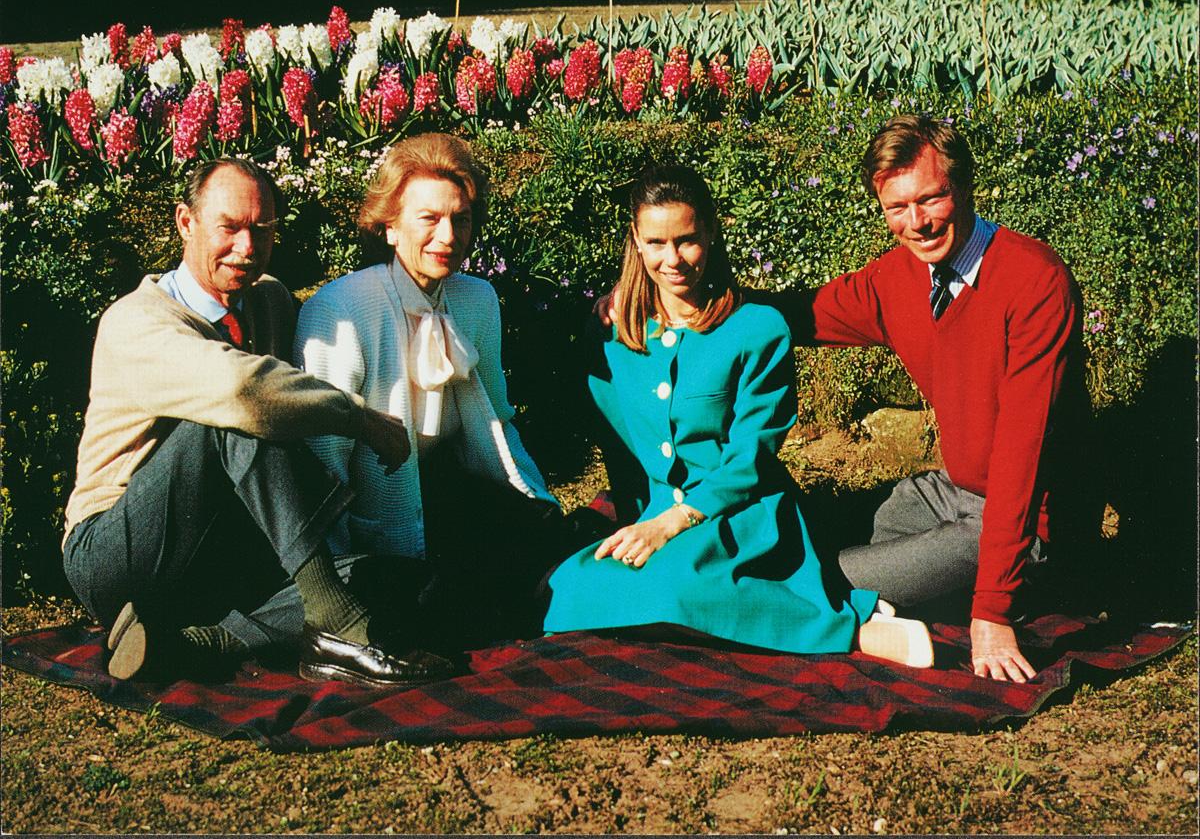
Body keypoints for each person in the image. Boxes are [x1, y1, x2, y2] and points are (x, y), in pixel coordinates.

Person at [62, 157, 455, 688]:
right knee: (236, 418)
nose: (247, 248)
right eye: (229, 228)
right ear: (186, 222)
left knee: (406, 579)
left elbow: (320, 352)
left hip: (224, 554)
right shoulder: (136, 321)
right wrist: (360, 418)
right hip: (118, 554)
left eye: (262, 230)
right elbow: (243, 392)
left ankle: (196, 643)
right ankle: (336, 628)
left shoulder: (267, 300)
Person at [545, 164, 934, 666]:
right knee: (565, 593)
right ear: (636, 243)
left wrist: (672, 524)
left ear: (711, 231)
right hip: (655, 513)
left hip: (739, 512)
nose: (672, 260)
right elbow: (619, 444)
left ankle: (848, 627)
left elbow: (751, 457)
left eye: (687, 240)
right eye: (656, 243)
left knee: (672, 590)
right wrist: (642, 519)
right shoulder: (613, 334)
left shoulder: (757, 328)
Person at [775, 115, 1093, 682]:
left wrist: (992, 611)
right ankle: (893, 604)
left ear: (964, 187)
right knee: (803, 535)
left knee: (822, 578)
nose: (916, 223)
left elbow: (1022, 455)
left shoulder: (1033, 281)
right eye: (897, 208)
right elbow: (795, 314)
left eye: (931, 199)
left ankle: (877, 614)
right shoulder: (899, 277)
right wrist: (673, 295)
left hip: (1025, 521)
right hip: (948, 492)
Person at [294, 133, 564, 651]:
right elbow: (321, 465)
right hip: (375, 513)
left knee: (545, 554)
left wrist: (535, 506)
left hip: (447, 495)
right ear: (390, 227)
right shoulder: (342, 308)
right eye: (429, 219)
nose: (448, 236)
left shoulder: (478, 299)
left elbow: (496, 423)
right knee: (427, 608)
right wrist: (334, 585)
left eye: (460, 219)